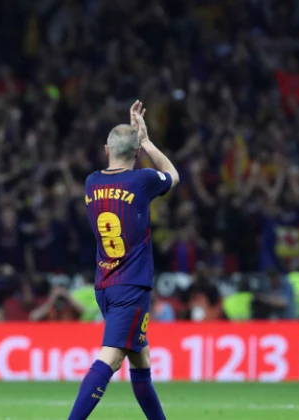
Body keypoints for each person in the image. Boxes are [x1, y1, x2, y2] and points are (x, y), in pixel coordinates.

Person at [67, 101, 179, 420]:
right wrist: (147, 141)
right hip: (131, 286)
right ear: (137, 154)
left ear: (106, 150)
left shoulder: (91, 182)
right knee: (112, 358)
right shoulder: (142, 181)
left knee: (140, 360)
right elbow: (173, 175)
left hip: (105, 284)